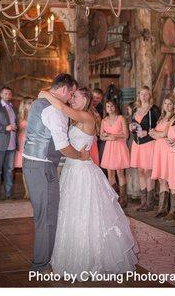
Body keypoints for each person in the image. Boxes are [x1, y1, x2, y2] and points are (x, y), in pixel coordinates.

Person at [38, 87, 137, 279]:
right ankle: (73, 255)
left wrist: (44, 94)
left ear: (86, 99)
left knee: (85, 211)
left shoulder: (87, 116)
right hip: (72, 169)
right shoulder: (78, 118)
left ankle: (92, 258)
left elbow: (60, 106)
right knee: (71, 212)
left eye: (76, 96)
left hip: (82, 171)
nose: (72, 99)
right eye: (72, 95)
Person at [22, 73, 89, 274]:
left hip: (32, 164)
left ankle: (42, 260)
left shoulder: (39, 102)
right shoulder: (54, 111)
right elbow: (62, 147)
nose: (71, 99)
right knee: (48, 217)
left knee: (43, 214)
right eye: (71, 94)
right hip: (43, 167)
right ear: (64, 90)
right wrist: (80, 156)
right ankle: (41, 265)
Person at [129, 86, 160, 212]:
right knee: (141, 171)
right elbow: (133, 125)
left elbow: (160, 125)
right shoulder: (136, 109)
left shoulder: (154, 109)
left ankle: (150, 202)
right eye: (142, 94)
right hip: (137, 143)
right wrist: (131, 128)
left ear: (150, 96)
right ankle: (143, 202)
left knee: (148, 171)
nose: (144, 96)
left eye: (146, 94)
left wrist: (147, 132)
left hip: (148, 143)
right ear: (139, 95)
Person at [100, 99, 130, 207]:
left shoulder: (121, 118)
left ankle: (123, 199)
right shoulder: (104, 120)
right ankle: (113, 197)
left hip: (119, 147)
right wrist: (108, 137)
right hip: (109, 148)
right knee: (110, 173)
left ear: (115, 107)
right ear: (105, 108)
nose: (110, 108)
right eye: (107, 106)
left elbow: (126, 135)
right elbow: (101, 136)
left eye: (112, 106)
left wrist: (115, 136)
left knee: (120, 172)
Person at [150, 93, 175, 217]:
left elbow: (164, 134)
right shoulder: (162, 118)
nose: (167, 106)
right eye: (165, 103)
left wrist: (155, 133)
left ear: (174, 105)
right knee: (161, 179)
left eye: (170, 104)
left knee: (168, 177)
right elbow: (154, 134)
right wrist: (156, 133)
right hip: (158, 149)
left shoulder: (173, 119)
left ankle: (172, 209)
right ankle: (162, 208)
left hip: (166, 149)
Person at [14, 97, 34, 199]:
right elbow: (17, 129)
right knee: (25, 168)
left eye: (32, 103)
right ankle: (27, 192)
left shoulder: (36, 114)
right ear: (24, 105)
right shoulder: (20, 116)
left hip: (33, 142)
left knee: (32, 168)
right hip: (23, 141)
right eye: (29, 103)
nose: (31, 105)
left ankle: (32, 191)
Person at [164, 102, 175, 221]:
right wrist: (168, 141)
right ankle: (173, 210)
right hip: (171, 153)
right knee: (172, 181)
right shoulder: (173, 120)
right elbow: (167, 135)